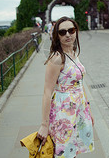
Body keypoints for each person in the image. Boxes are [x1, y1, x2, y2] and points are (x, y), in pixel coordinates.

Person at [37, 16, 94, 157]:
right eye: (62, 32)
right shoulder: (57, 58)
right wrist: (44, 125)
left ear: (76, 32)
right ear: (57, 36)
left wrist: (88, 109)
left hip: (79, 109)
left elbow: (80, 84)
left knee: (73, 151)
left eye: (71, 30)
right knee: (65, 153)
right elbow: (47, 92)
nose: (68, 34)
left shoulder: (74, 53)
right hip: (64, 113)